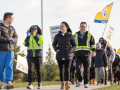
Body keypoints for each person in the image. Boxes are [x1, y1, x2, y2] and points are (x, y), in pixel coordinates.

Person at [52, 21, 76, 90]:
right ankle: (62, 83)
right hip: (59, 55)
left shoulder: (70, 36)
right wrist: (56, 49)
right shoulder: (57, 36)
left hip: (68, 55)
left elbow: (74, 45)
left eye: (62, 26)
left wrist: (70, 50)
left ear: (66, 27)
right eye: (60, 26)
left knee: (67, 70)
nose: (61, 27)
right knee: (61, 70)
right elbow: (53, 44)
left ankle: (67, 83)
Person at [74, 22, 96, 88]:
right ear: (79, 27)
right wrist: (72, 51)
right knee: (77, 68)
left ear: (86, 28)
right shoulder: (75, 35)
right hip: (78, 55)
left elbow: (93, 44)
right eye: (82, 26)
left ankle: (86, 83)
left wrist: (94, 51)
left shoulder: (89, 35)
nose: (83, 28)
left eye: (84, 27)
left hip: (86, 55)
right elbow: (72, 44)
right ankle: (79, 80)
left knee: (87, 70)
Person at [0, 12, 18, 89]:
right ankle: (2, 81)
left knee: (9, 66)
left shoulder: (12, 28)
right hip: (2, 50)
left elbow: (16, 37)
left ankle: (9, 82)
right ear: (8, 18)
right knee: (1, 67)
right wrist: (7, 39)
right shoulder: (0, 27)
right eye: (12, 18)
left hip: (11, 50)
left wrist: (13, 40)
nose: (13, 20)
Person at [23, 25, 44, 89]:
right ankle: (30, 84)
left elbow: (41, 42)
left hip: (38, 56)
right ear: (30, 30)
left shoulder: (40, 36)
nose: (33, 30)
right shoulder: (29, 36)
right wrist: (27, 36)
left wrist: (35, 36)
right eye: (32, 29)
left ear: (37, 30)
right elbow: (25, 44)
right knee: (30, 70)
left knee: (39, 70)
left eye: (35, 29)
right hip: (30, 56)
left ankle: (39, 84)